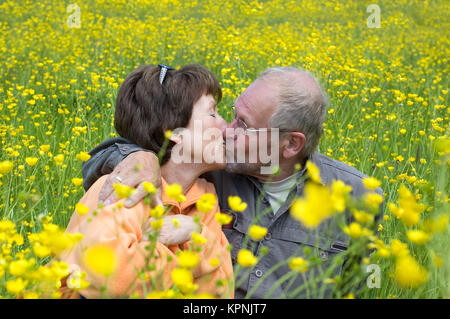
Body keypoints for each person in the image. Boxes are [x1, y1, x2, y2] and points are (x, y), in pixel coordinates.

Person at [82, 66, 384, 298]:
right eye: (230, 114)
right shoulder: (210, 169)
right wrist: (139, 155)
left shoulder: (358, 195)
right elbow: (147, 135)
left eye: (244, 125)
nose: (226, 130)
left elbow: (350, 289)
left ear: (291, 145)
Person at [57, 64, 234, 299]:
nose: (225, 126)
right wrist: (193, 255)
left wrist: (192, 232)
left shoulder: (203, 197)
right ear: (174, 132)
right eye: (212, 113)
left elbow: (220, 291)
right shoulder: (124, 187)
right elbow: (112, 281)